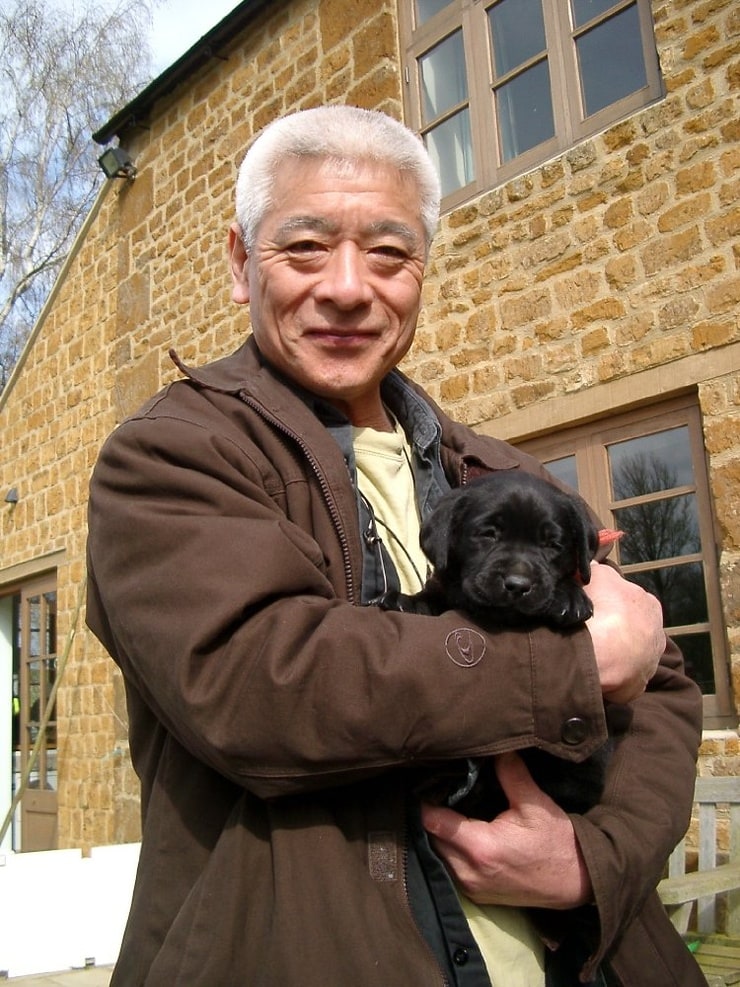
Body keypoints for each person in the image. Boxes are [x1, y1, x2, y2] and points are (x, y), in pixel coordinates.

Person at [86, 106, 705, 987]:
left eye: (387, 253)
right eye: (305, 248)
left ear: (421, 272)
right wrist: (570, 665)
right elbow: (260, 680)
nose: (347, 287)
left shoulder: (504, 474)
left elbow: (662, 684)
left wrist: (591, 857)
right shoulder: (172, 454)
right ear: (240, 263)